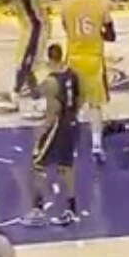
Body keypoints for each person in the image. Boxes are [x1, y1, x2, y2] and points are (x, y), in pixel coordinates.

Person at [21, 44, 81, 227]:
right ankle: (71, 209)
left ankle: (37, 210)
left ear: (49, 60)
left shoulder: (51, 82)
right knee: (66, 167)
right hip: (72, 122)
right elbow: (79, 99)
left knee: (37, 163)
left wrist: (28, 74)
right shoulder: (72, 74)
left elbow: (37, 96)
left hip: (57, 125)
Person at [61, 0, 114, 161]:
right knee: (95, 105)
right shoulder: (102, 4)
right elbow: (111, 34)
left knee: (72, 106)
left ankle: (68, 145)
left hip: (73, 59)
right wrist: (99, 33)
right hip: (93, 60)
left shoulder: (66, 5)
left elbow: (67, 29)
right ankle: (97, 146)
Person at [0, 0, 49, 115]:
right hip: (29, 27)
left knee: (25, 64)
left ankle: (18, 97)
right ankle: (32, 95)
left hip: (35, 27)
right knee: (24, 64)